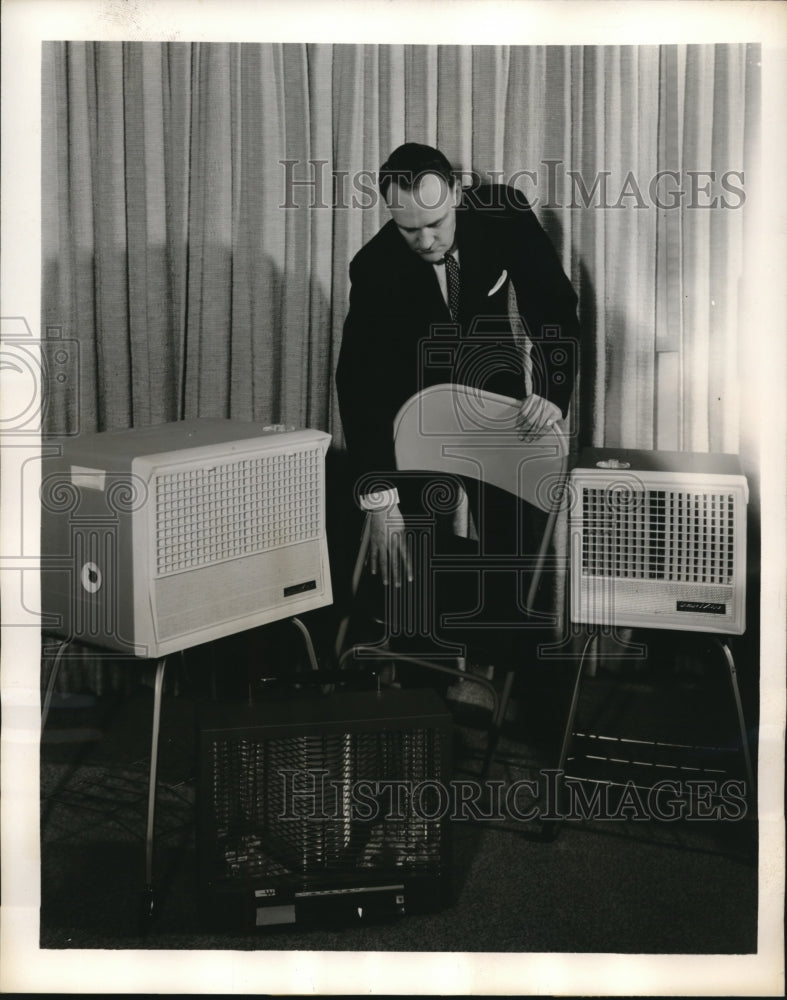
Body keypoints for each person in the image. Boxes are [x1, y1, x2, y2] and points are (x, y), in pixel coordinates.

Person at [336, 143, 581, 612]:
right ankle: (419, 653)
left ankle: (500, 660)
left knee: (513, 532)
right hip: (412, 410)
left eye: (435, 224)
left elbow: (550, 302)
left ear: (457, 193)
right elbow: (359, 382)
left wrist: (550, 390)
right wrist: (381, 498)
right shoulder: (373, 267)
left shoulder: (503, 212)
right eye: (409, 229)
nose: (425, 241)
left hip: (494, 395)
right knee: (406, 544)